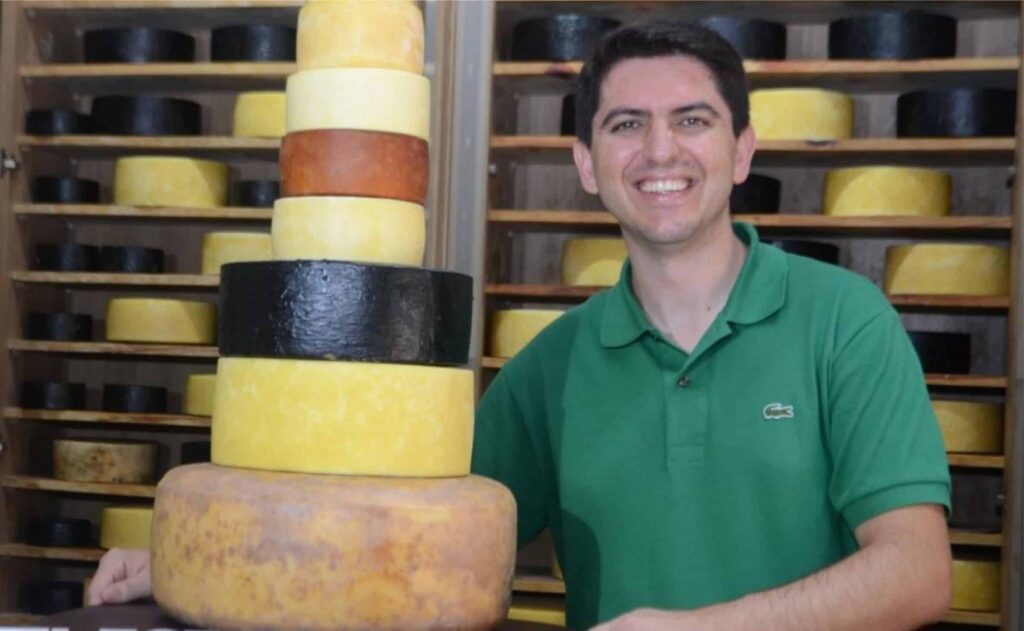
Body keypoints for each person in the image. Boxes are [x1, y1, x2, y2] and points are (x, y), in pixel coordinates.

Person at [89, 20, 953, 631]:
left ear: (742, 151)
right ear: (586, 163)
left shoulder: (843, 321)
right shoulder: (555, 365)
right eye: (626, 125)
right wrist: (178, 565)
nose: (661, 152)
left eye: (693, 120)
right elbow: (400, 533)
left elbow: (918, 573)